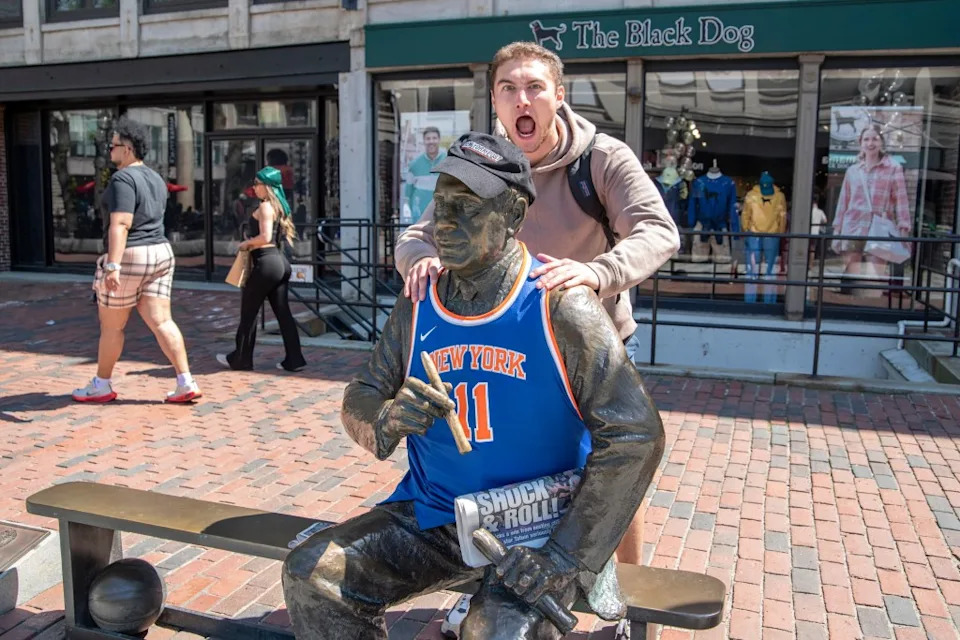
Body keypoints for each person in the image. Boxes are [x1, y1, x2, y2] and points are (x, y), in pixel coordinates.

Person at [282, 132, 665, 640]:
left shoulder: (560, 304)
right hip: (437, 516)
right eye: (440, 205)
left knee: (497, 629)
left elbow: (636, 434)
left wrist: (564, 556)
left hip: (538, 532)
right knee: (314, 572)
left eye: (466, 207)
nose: (445, 221)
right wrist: (386, 418)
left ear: (512, 216)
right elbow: (363, 391)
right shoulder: (420, 298)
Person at [394, 41, 678, 638]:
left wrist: (598, 272)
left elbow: (657, 231)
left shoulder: (600, 158)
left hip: (584, 340)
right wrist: (419, 259)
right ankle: (483, 588)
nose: (521, 99)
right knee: (492, 471)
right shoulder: (482, 162)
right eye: (507, 89)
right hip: (504, 346)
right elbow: (420, 232)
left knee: (610, 466)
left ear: (557, 96)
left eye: (534, 88)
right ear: (494, 98)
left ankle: (622, 592)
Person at [72, 116, 201, 404]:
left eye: (113, 145)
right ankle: (185, 381)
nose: (110, 151)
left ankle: (101, 385)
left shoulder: (122, 178)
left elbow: (120, 224)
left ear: (127, 149)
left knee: (112, 326)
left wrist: (113, 265)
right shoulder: (155, 177)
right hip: (162, 252)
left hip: (132, 254)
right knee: (162, 321)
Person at [216, 167, 306, 372]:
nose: (254, 187)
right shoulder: (280, 206)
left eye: (257, 184)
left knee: (249, 311)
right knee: (283, 313)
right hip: (279, 263)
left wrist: (245, 244)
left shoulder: (266, 207)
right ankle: (295, 359)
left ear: (267, 186)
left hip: (266, 262)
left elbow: (265, 237)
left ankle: (241, 359)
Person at [831, 124, 910, 294]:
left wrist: (904, 228)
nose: (870, 143)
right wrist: (837, 231)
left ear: (881, 142)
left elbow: (901, 200)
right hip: (853, 226)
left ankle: (870, 307)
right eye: (866, 139)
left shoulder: (893, 168)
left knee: (875, 276)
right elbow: (843, 202)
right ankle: (849, 309)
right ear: (861, 143)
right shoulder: (852, 171)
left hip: (878, 227)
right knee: (852, 272)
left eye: (875, 138)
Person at [403, 126, 447, 224]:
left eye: (434, 138)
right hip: (420, 217)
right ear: (424, 141)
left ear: (439, 140)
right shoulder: (414, 164)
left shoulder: (448, 161)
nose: (431, 141)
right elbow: (408, 193)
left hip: (443, 216)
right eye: (428, 138)